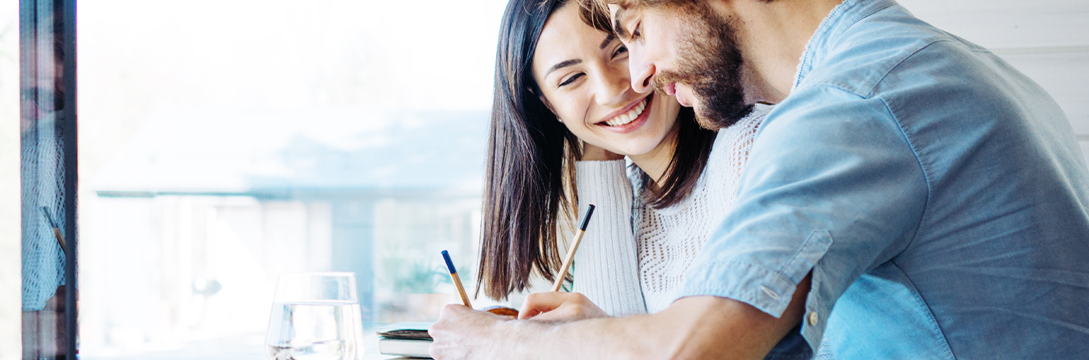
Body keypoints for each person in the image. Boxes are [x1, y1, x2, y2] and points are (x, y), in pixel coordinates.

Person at [431, 0, 1089, 358]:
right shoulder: (906, 63)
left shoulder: (849, 104)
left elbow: (691, 352)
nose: (638, 75)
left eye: (633, 30)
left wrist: (504, 342)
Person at [474, 0, 770, 320]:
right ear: (547, 105)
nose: (611, 92)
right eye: (572, 78)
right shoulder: (628, 195)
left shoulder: (748, 148)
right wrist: (599, 162)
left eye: (620, 50)